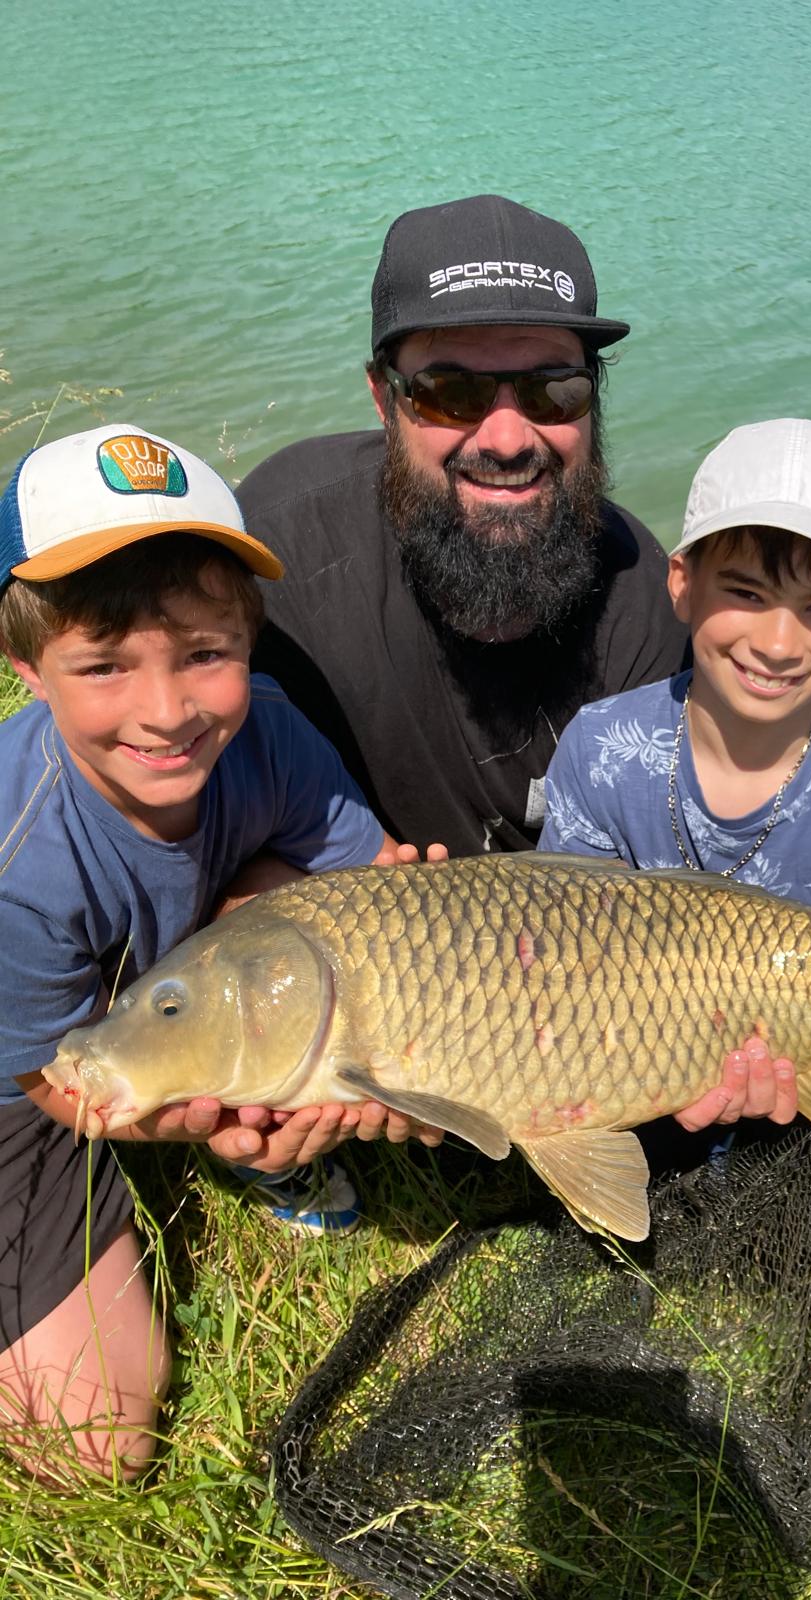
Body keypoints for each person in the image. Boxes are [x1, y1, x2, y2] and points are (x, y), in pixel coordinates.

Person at [0, 424, 423, 1481]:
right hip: (28, 1072)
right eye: (104, 666)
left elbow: (376, 895)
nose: (167, 712)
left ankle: (259, 1126)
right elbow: (54, 1081)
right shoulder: (18, 863)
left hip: (163, 992)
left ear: (249, 638)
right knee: (96, 1444)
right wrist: (174, 1120)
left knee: (322, 919)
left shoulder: (270, 734)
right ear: (28, 670)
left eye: (204, 654)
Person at [538, 417, 811, 1163]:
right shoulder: (601, 749)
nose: (777, 644)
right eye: (747, 593)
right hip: (629, 1086)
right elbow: (563, 970)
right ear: (682, 584)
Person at [237, 194, 688, 858]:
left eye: (554, 388)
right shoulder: (279, 558)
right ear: (383, 399)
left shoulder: (642, 599)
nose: (507, 439)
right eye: (451, 392)